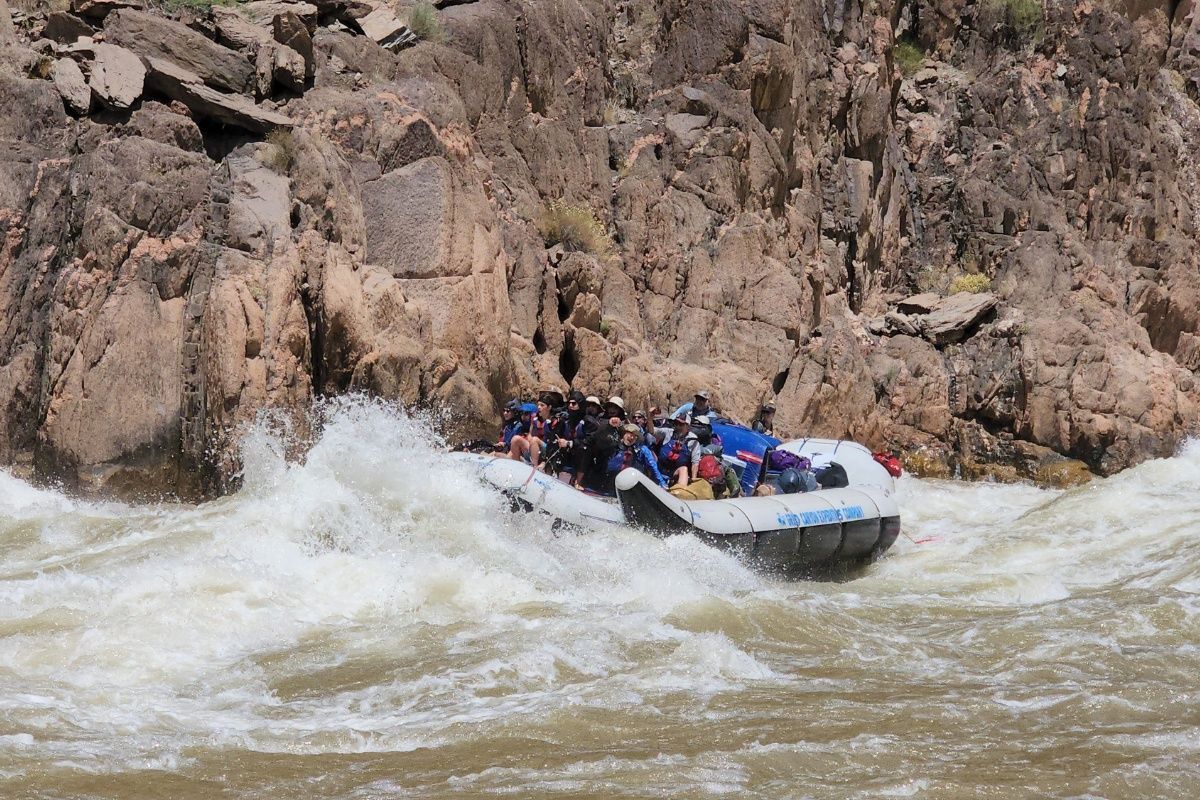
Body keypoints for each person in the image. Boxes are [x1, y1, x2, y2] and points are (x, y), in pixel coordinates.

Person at [601, 422, 667, 493]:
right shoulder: (613, 446)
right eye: (630, 433)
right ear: (623, 434)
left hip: (631, 484)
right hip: (608, 481)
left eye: (635, 436)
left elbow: (653, 467)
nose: (631, 437)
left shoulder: (642, 450)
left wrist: (662, 483)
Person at [656, 413, 694, 486]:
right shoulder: (668, 432)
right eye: (676, 423)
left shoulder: (693, 440)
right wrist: (649, 417)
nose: (678, 426)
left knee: (684, 469)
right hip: (661, 469)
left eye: (681, 424)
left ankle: (680, 490)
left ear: (688, 426)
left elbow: (695, 463)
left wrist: (694, 480)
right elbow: (652, 431)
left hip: (675, 472)